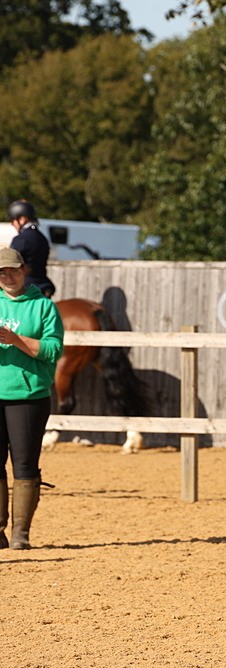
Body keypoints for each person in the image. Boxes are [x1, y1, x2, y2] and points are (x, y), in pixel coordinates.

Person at [0, 246, 63, 549]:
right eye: (2, 271)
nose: (8, 275)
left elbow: (52, 350)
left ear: (24, 270)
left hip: (28, 395)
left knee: (24, 466)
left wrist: (15, 340)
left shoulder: (43, 307)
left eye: (13, 269)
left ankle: (20, 534)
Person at [7, 199, 55, 298]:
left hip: (26, 289)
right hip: (43, 287)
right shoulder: (42, 237)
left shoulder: (21, 239)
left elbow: (8, 263)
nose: (12, 224)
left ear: (22, 219)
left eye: (13, 220)